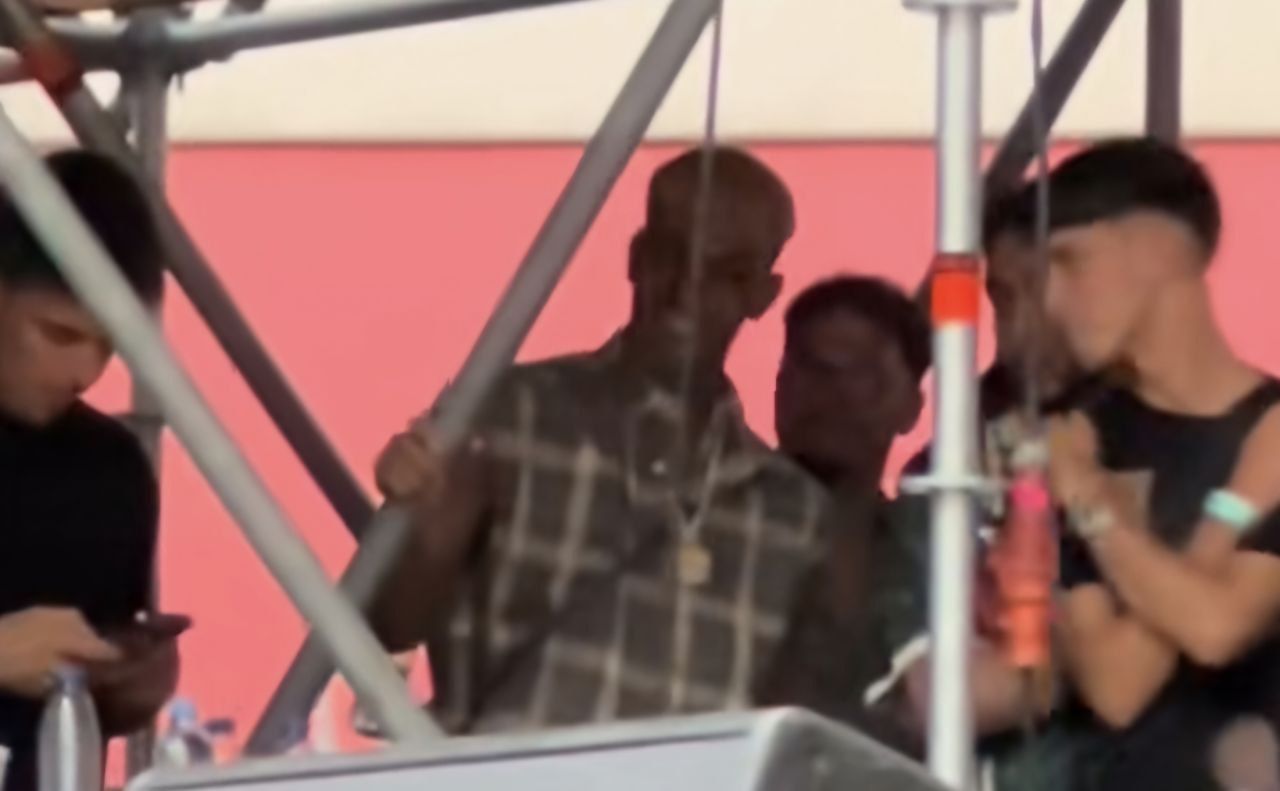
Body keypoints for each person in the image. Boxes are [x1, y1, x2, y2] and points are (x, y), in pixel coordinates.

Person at [371, 146, 833, 733]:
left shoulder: (796, 515)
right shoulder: (509, 413)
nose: (688, 288)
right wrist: (420, 523)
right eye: (671, 255)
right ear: (637, 257)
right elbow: (386, 624)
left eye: (728, 273)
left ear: (763, 295)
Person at [1040, 138, 1280, 791]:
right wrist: (1234, 508)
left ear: (1161, 248)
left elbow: (1221, 629)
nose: (1052, 300)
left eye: (1071, 261)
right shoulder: (1077, 444)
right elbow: (1116, 687)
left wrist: (1092, 508)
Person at [869, 183, 1091, 790]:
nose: (1018, 326)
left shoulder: (1184, 439)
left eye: (1042, 293)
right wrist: (1122, 641)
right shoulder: (951, 470)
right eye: (1004, 298)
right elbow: (946, 696)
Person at [0, 150, 177, 791]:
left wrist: (133, 681)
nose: (87, 373)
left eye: (109, 346)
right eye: (58, 334)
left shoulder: (112, 472)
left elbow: (103, 705)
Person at [765, 275, 930, 754]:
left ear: (912, 406)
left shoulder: (924, 555)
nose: (832, 393)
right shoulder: (717, 520)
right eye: (810, 367)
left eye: (862, 373)